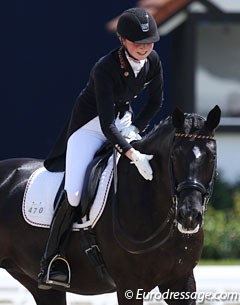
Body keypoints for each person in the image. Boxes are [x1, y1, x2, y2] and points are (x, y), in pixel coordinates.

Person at [38, 7, 164, 289]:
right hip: (90, 128)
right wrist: (131, 152)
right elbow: (106, 126)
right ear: (122, 40)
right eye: (137, 42)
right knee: (74, 193)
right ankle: (51, 260)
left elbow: (156, 102)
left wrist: (135, 130)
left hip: (123, 123)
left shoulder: (153, 60)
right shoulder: (105, 68)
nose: (145, 48)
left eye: (149, 42)